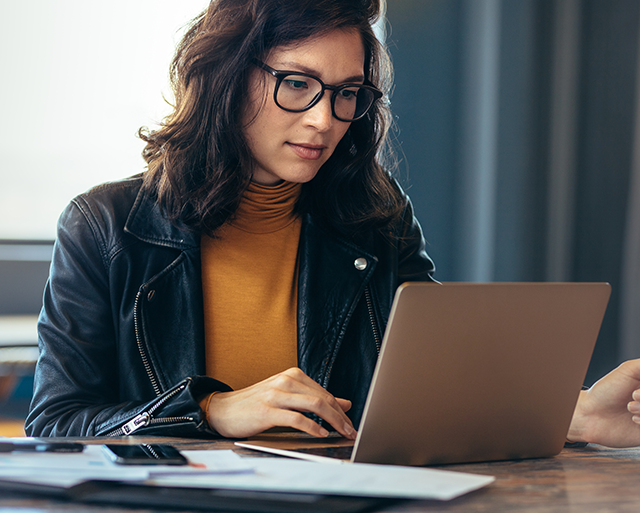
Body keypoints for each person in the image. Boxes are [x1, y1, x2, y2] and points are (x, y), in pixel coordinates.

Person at [24, 0, 640, 449]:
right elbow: (55, 422)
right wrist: (210, 410)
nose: (325, 119)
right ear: (226, 78)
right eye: (297, 84)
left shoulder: (375, 215)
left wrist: (574, 414)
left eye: (347, 92)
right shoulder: (105, 226)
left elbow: (435, 391)